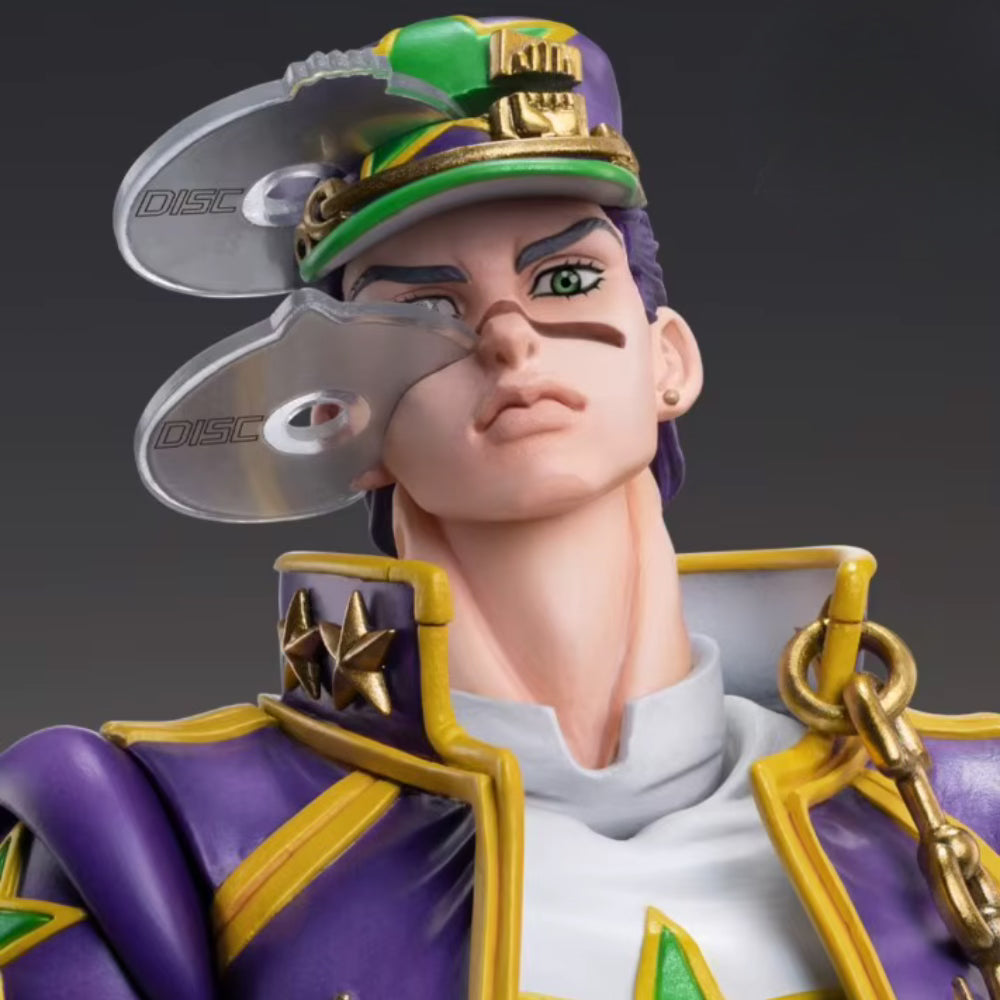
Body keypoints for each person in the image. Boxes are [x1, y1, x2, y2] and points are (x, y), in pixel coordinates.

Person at [0, 14, 997, 1000]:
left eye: (564, 278)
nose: (508, 339)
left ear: (669, 359)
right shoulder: (161, 845)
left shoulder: (965, 807)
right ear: (341, 422)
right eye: (422, 312)